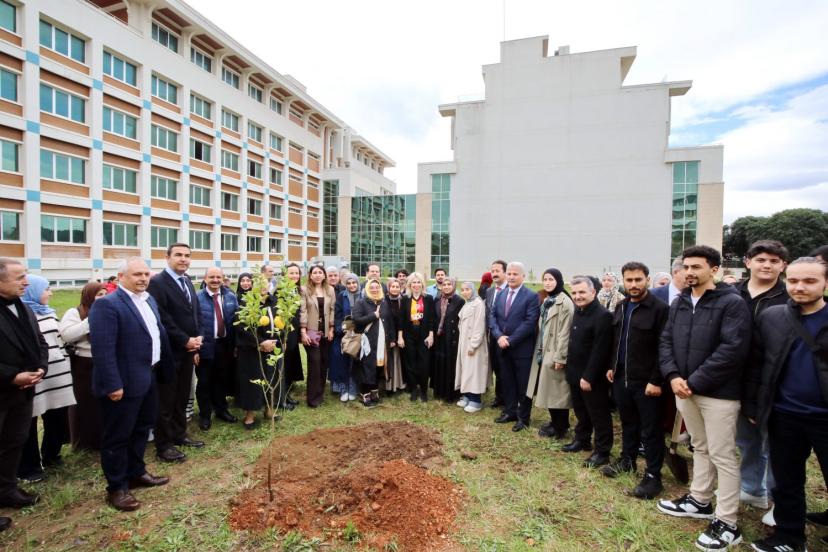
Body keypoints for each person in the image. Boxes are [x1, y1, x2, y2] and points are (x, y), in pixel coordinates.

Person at [657, 245, 752, 551]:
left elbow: (732, 350)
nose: (689, 272)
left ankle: (727, 521)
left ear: (714, 270)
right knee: (700, 446)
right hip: (683, 389)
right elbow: (666, 341)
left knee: (723, 455)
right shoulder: (681, 302)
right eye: (686, 267)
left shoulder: (731, 303)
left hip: (718, 394)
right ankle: (700, 500)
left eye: (696, 267)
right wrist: (673, 376)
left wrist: (694, 381)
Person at [744, 257, 828, 552]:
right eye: (793, 281)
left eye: (809, 281)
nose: (799, 287)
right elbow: (757, 365)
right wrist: (754, 406)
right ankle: (790, 537)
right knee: (786, 481)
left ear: (825, 283)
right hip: (784, 415)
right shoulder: (772, 317)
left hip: (824, 417)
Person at [89, 257, 173, 511]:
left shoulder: (148, 300)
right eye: (137, 274)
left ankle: (136, 472)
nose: (143, 278)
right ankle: (117, 487)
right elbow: (103, 349)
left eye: (146, 274)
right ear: (121, 277)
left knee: (142, 428)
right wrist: (113, 385)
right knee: (118, 435)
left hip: (148, 377)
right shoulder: (107, 305)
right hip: (123, 383)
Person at [603, 262, 669, 499]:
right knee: (628, 422)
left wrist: (656, 380)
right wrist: (612, 366)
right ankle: (627, 460)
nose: (633, 284)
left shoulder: (660, 310)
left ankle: (653, 476)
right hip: (622, 377)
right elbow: (617, 340)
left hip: (647, 382)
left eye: (638, 280)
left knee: (650, 430)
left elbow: (665, 347)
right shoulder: (621, 306)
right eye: (629, 280)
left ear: (647, 280)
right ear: (623, 281)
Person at [734, 240, 789, 518]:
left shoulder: (789, 297)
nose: (767, 265)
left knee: (777, 444)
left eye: (774, 261)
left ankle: (780, 501)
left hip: (776, 380)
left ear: (783, 265)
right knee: (747, 439)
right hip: (738, 378)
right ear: (748, 262)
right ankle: (752, 488)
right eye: (761, 260)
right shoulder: (733, 293)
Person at [0, 258, 48, 531]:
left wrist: (41, 366)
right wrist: (11, 376)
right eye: (19, 277)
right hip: (4, 388)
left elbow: (39, 341)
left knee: (14, 440)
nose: (26, 282)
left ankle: (7, 489)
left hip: (24, 391)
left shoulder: (23, 307)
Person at [146, 243, 204, 463]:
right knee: (166, 399)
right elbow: (162, 317)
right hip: (169, 352)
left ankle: (179, 434)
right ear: (167, 257)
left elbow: (195, 312)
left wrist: (198, 337)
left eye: (187, 255)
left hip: (188, 351)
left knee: (182, 395)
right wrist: (184, 340)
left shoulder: (187, 280)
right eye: (178, 255)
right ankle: (164, 445)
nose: (183, 259)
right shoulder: (157, 283)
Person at [17, 275, 76, 482]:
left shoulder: (48, 312)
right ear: (33, 291)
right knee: (30, 422)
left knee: (57, 416)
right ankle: (30, 466)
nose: (50, 293)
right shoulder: (22, 314)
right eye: (46, 289)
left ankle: (52, 455)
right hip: (37, 376)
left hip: (58, 375)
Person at [561, 276, 614, 467]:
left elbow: (601, 350)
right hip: (575, 371)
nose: (577, 296)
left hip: (592, 376)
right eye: (574, 293)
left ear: (593, 292)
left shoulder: (603, 316)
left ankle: (602, 451)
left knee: (598, 414)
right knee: (581, 410)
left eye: (582, 292)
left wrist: (588, 376)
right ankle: (582, 439)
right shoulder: (579, 311)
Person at [488, 261, 540, 432]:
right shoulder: (501, 293)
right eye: (509, 274)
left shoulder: (531, 296)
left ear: (523, 276)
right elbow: (493, 317)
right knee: (507, 381)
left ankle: (523, 418)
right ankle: (510, 411)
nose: (511, 277)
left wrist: (510, 340)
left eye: (515, 274)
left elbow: (529, 322)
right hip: (502, 347)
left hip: (521, 349)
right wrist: (499, 336)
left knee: (523, 385)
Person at [526, 268, 574, 440]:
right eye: (545, 279)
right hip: (545, 350)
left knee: (557, 393)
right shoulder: (548, 300)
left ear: (558, 281)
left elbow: (565, 333)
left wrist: (560, 357)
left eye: (551, 279)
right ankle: (555, 422)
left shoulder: (565, 302)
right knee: (550, 390)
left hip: (555, 353)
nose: (547, 283)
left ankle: (561, 427)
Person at [59, 281, 107, 451]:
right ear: (88, 295)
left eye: (105, 294)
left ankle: (100, 439)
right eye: (99, 295)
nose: (103, 298)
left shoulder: (108, 310)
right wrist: (91, 320)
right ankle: (82, 442)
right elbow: (67, 334)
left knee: (101, 403)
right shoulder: (75, 312)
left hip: (103, 361)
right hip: (83, 364)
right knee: (83, 403)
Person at [195, 267, 239, 430]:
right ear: (205, 279)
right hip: (205, 345)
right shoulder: (197, 298)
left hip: (225, 345)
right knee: (204, 382)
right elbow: (193, 324)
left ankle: (221, 410)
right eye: (212, 277)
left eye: (218, 277)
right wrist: (195, 350)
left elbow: (235, 322)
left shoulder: (230, 296)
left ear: (223, 278)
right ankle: (205, 415)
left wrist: (235, 345)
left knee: (222, 379)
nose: (215, 280)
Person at [235, 282, 280, 428]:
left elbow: (282, 321)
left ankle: (269, 410)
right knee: (253, 381)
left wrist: (277, 341)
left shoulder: (274, 301)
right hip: (251, 349)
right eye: (259, 284)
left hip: (272, 346)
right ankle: (250, 415)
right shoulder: (246, 303)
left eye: (265, 284)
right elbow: (241, 327)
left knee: (271, 378)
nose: (262, 288)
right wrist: (260, 342)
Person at [352, 279, 396, 407]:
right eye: (372, 287)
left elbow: (390, 321)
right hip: (368, 341)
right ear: (367, 289)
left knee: (378, 366)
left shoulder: (384, 302)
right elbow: (356, 320)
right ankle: (364, 394)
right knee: (367, 367)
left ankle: (374, 392)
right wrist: (373, 315)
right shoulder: (361, 302)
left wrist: (392, 339)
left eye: (377, 287)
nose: (375, 289)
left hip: (382, 341)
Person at [300, 265, 336, 408]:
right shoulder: (304, 290)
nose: (317, 275)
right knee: (314, 363)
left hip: (326, 332)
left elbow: (332, 309)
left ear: (324, 275)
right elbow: (303, 310)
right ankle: (312, 399)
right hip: (311, 332)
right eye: (314, 272)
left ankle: (320, 393)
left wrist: (332, 328)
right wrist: (303, 331)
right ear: (310, 275)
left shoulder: (330, 290)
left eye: (320, 272)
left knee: (323, 363)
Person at [399, 272, 436, 401]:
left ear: (422, 284)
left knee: (424, 363)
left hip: (424, 334)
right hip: (409, 334)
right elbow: (401, 319)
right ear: (410, 284)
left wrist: (431, 335)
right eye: (413, 282)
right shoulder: (405, 299)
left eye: (418, 282)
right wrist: (400, 336)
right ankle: (413, 388)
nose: (416, 285)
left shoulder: (428, 298)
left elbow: (432, 318)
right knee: (410, 362)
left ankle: (423, 390)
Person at [455, 281, 489, 413]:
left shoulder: (478, 304)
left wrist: (473, 345)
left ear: (473, 290)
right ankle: (468, 396)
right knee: (466, 370)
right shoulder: (467, 303)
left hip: (474, 344)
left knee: (474, 372)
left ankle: (476, 401)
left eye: (467, 289)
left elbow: (479, 326)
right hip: (464, 342)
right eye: (462, 290)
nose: (465, 292)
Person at [432, 277, 464, 402]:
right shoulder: (437, 299)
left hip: (452, 338)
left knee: (451, 364)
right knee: (440, 363)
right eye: (444, 284)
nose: (446, 286)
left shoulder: (459, 301)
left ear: (453, 286)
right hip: (439, 336)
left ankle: (451, 394)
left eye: (449, 284)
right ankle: (439, 392)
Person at [331, 273, 359, 401]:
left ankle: (353, 388)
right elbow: (337, 315)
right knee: (340, 360)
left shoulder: (363, 295)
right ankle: (343, 388)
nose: (351, 285)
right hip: (343, 333)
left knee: (355, 362)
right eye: (349, 283)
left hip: (359, 334)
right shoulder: (342, 296)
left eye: (354, 283)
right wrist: (341, 328)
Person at [486, 260, 508, 408]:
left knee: (505, 368)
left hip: (506, 336)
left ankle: (508, 399)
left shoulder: (510, 290)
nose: (494, 274)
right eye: (492, 271)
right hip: (492, 336)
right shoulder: (490, 291)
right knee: (496, 366)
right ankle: (499, 397)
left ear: (505, 273)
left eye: (497, 271)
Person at [282, 263, 303, 408]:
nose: (295, 276)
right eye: (291, 273)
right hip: (285, 333)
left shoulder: (297, 290)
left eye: (297, 273)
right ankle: (282, 396)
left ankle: (287, 392)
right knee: (283, 365)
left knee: (289, 363)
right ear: (285, 275)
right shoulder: (281, 291)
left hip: (294, 332)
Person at [384, 279, 407, 393]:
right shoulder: (384, 301)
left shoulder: (403, 300)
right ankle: (389, 386)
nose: (395, 289)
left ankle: (400, 384)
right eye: (392, 286)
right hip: (389, 335)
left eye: (397, 286)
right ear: (388, 288)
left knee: (399, 360)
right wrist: (392, 337)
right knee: (390, 360)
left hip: (402, 334)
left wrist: (401, 336)